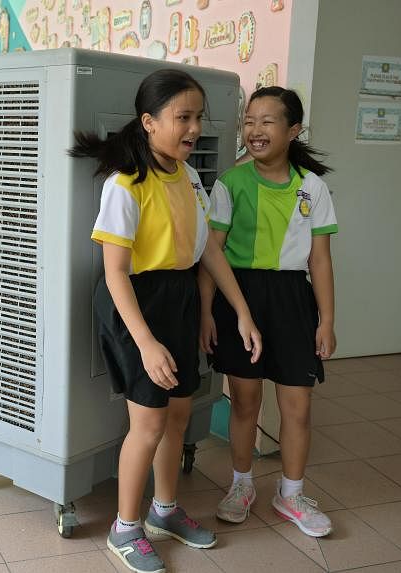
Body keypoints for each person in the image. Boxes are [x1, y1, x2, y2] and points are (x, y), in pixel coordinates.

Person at [70, 69, 262, 573]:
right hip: (135, 302)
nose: (194, 127)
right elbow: (114, 273)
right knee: (150, 421)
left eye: (199, 117)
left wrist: (240, 310)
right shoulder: (125, 185)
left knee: (179, 413)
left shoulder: (192, 177)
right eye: (183, 117)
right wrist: (147, 343)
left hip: (176, 297)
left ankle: (164, 510)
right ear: (149, 122)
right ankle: (124, 528)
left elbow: (208, 255)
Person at [199, 86, 338, 538]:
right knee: (244, 400)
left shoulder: (312, 188)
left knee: (297, 407)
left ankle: (291, 493)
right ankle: (240, 486)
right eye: (250, 121)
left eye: (267, 121)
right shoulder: (230, 183)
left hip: (293, 300)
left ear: (293, 130)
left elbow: (320, 260)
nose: (255, 130)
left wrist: (327, 321)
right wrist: (206, 312)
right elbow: (210, 254)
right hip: (238, 295)